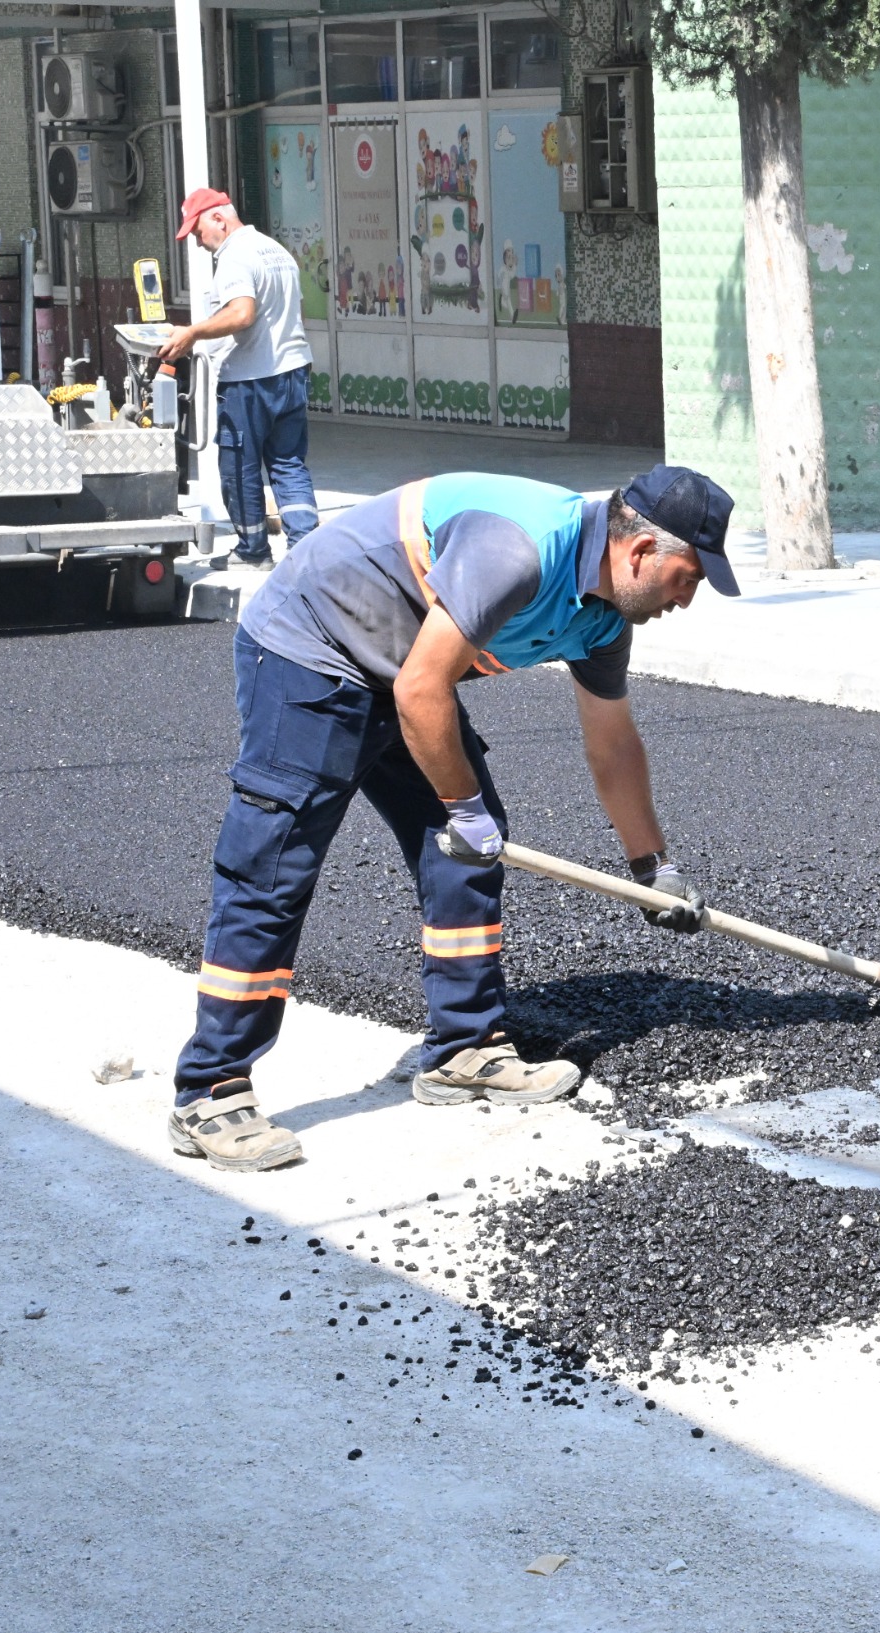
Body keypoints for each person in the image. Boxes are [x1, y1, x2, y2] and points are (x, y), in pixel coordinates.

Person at [168, 464, 739, 1171]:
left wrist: (656, 868)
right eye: (689, 577)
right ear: (642, 552)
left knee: (468, 851)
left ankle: (465, 1048)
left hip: (404, 667)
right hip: (312, 646)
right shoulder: (519, 551)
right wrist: (461, 808)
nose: (687, 598)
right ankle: (211, 1091)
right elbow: (421, 688)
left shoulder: (602, 618)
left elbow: (612, 743)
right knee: (273, 864)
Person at [159, 187, 320, 567]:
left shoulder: (234, 257)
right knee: (288, 462)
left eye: (198, 233)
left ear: (218, 217)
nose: (199, 244)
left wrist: (192, 333)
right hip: (292, 370)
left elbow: (242, 314)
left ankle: (252, 551)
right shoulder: (276, 250)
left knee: (238, 464)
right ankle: (308, 551)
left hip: (251, 380)